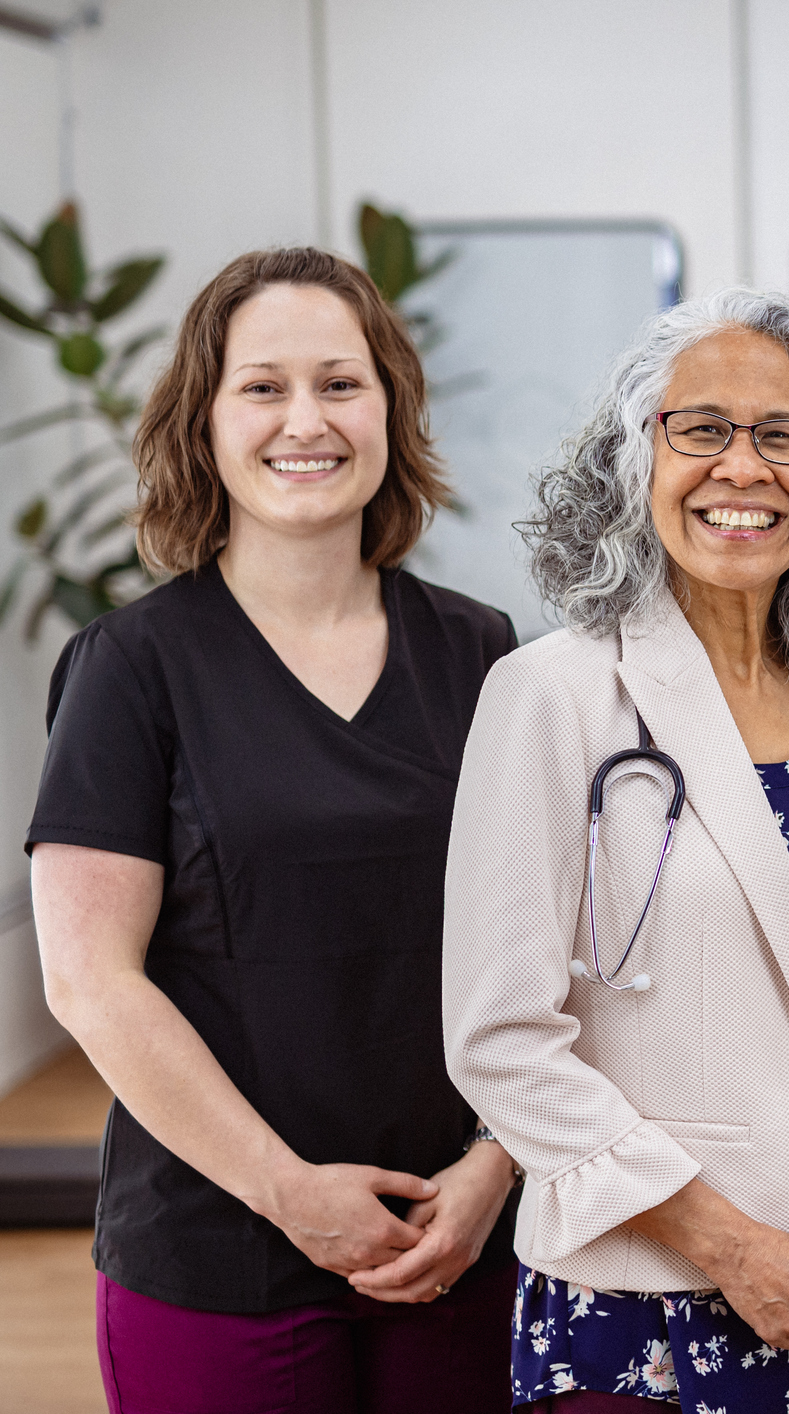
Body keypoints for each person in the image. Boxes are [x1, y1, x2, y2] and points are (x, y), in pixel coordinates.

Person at [442, 287, 789, 1413]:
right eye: (700, 430)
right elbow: (502, 1041)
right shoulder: (550, 694)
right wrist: (730, 1245)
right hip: (648, 1310)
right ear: (633, 457)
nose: (743, 468)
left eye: (784, 436)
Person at [26, 248, 520, 1413]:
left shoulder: (485, 653)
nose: (307, 419)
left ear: (391, 409)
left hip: (452, 1243)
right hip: (215, 1246)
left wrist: (495, 1170)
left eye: (341, 384)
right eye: (263, 386)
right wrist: (290, 1191)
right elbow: (89, 982)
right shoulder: (131, 667)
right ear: (203, 421)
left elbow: (554, 946)